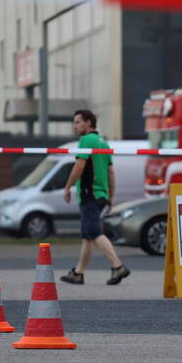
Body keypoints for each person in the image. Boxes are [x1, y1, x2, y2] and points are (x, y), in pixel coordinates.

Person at [60, 108, 130, 286]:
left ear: (88, 123)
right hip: (101, 195)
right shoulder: (103, 142)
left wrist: (67, 187)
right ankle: (78, 272)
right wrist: (111, 196)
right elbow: (111, 172)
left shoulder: (87, 140)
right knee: (88, 236)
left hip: (89, 194)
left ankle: (117, 265)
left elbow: (79, 165)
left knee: (94, 233)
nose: (75, 126)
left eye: (78, 122)